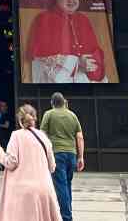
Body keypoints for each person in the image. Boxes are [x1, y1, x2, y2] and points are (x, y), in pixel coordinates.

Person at [27, 0, 107, 82]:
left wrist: (91, 65)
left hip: (83, 78)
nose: (71, 0)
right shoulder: (43, 19)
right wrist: (76, 63)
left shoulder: (84, 20)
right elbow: (41, 57)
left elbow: (95, 51)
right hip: (57, 80)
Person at [0, 104, 62, 221]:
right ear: (35, 118)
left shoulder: (16, 135)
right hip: (45, 190)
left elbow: (11, 162)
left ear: (20, 121)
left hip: (23, 193)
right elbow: (52, 167)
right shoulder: (44, 137)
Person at [39, 92, 85, 221]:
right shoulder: (72, 115)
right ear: (64, 102)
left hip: (57, 153)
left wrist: (44, 153)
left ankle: (66, 217)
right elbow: (80, 137)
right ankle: (67, 212)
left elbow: (42, 135)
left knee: (61, 186)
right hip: (71, 154)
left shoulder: (49, 114)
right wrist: (81, 157)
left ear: (52, 103)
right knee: (67, 184)